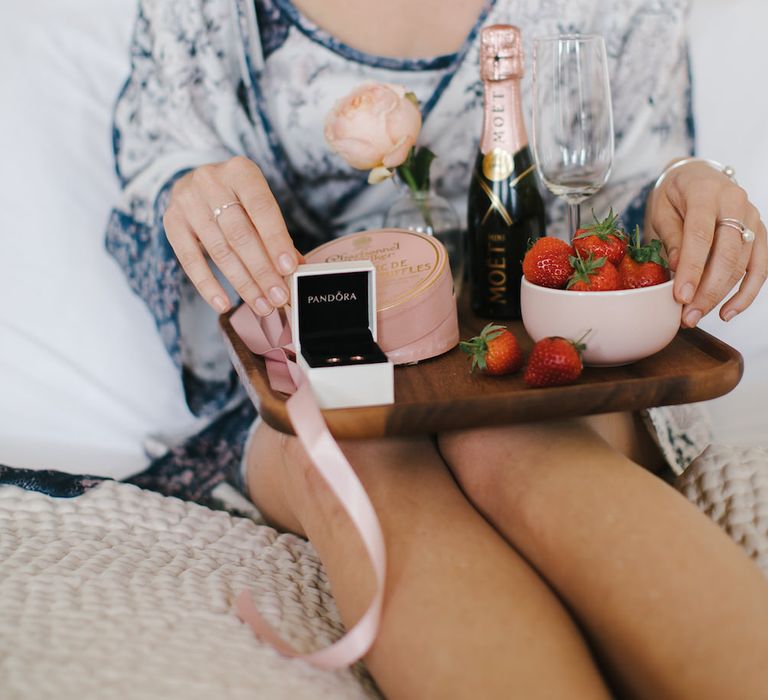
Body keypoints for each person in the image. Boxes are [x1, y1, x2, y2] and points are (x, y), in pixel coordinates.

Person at [108, 0, 768, 697]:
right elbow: (161, 168)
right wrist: (188, 194)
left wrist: (680, 188)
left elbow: (628, 177)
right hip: (315, 369)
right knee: (353, 460)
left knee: (516, 441)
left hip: (541, 355)